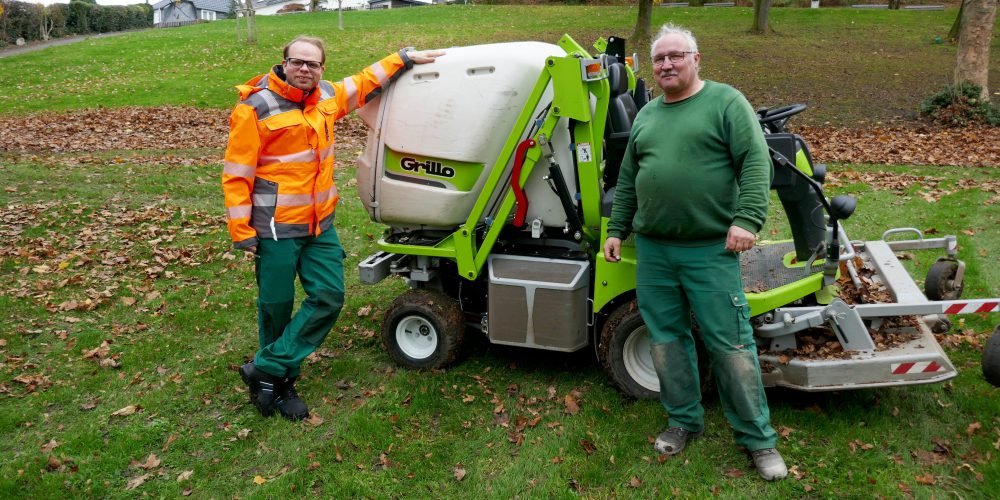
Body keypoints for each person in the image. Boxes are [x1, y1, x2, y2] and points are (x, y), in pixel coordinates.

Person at [222, 36, 443, 420]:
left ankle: (265, 367)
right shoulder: (254, 107)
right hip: (275, 228)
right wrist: (242, 231)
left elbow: (363, 82)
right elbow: (237, 174)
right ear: (284, 63)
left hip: (320, 225)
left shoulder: (326, 96)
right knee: (275, 308)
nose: (305, 69)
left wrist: (402, 58)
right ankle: (277, 384)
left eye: (313, 64)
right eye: (297, 62)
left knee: (328, 297)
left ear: (322, 68)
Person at [602, 24, 787, 481]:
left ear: (696, 59)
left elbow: (755, 161)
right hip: (655, 251)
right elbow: (629, 179)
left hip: (709, 249)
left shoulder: (725, 102)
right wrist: (616, 228)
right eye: (660, 58)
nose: (666, 64)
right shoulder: (647, 116)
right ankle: (683, 420)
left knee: (731, 345)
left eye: (675, 56)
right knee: (666, 341)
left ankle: (758, 439)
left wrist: (747, 219)